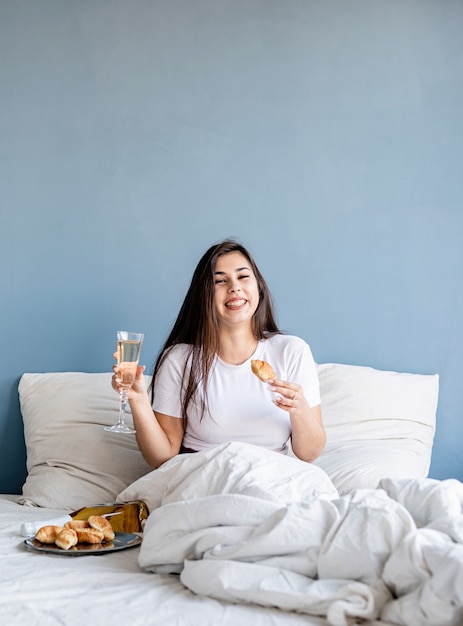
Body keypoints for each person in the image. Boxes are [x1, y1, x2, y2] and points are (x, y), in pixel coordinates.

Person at [112, 239, 325, 468]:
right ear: (204, 296)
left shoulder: (291, 351)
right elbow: (161, 457)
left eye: (243, 277)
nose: (234, 287)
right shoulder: (179, 360)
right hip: (206, 477)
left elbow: (309, 453)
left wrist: (300, 408)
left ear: (258, 288)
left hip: (273, 477)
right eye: (220, 281)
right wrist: (138, 400)